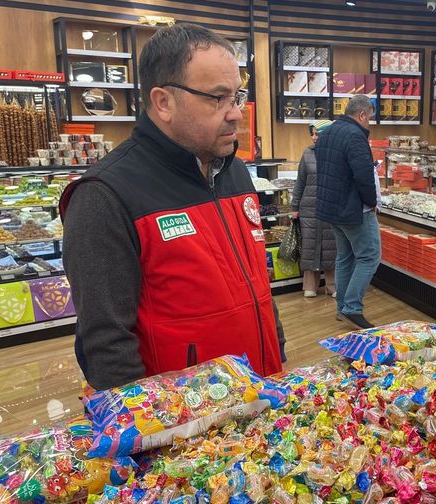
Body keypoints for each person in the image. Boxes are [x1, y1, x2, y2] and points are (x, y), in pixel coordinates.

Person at [60, 23, 283, 390]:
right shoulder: (104, 195)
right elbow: (106, 341)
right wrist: (147, 432)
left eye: (237, 97)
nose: (236, 114)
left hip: (262, 399)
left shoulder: (236, 172)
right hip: (183, 425)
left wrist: (279, 355)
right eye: (218, 98)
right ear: (163, 102)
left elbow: (256, 282)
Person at [315, 95, 381, 329]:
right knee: (370, 256)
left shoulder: (329, 132)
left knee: (345, 257)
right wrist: (372, 203)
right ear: (362, 114)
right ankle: (352, 308)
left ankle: (342, 308)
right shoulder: (355, 136)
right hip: (354, 209)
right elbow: (364, 176)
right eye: (370, 118)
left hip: (331, 208)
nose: (370, 124)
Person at [291, 119, 337, 298]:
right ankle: (310, 286)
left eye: (318, 133)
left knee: (331, 247)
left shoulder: (337, 155)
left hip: (330, 208)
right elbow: (300, 182)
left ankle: (332, 286)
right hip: (308, 209)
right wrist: (295, 207)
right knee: (310, 246)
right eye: (313, 133)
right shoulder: (307, 154)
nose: (314, 137)